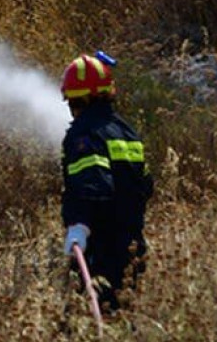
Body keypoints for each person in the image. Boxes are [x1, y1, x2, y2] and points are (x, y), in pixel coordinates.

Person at [60, 51, 152, 313]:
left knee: (87, 320)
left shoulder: (83, 134)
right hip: (133, 248)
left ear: (78, 99)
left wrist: (79, 226)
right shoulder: (126, 131)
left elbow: (93, 187)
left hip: (101, 251)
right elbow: (146, 185)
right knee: (125, 319)